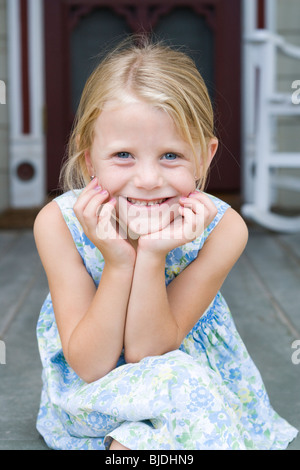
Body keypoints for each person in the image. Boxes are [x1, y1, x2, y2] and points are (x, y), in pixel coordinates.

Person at [34, 37, 298, 450]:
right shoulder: (59, 224)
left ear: (205, 156)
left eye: (171, 156)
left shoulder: (224, 230)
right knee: (169, 402)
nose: (148, 179)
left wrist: (153, 253)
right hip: (96, 396)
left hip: (190, 385)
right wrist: (119, 262)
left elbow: (148, 351)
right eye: (123, 154)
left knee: (161, 423)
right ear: (89, 161)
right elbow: (88, 364)